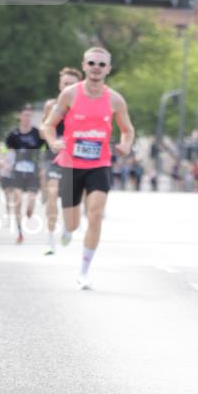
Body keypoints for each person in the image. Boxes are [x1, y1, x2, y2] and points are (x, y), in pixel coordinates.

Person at [41, 46, 134, 289]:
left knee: (95, 213)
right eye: (92, 63)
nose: (96, 68)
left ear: (108, 70)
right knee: (71, 224)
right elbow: (48, 125)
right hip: (70, 164)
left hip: (99, 164)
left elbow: (128, 130)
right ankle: (68, 229)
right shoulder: (70, 95)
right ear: (84, 66)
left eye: (101, 64)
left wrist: (126, 145)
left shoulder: (115, 100)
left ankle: (84, 271)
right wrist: (53, 142)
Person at [40, 66, 82, 255]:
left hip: (76, 157)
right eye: (65, 83)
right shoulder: (51, 105)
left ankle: (67, 226)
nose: (67, 87)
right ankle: (50, 240)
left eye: (71, 84)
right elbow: (44, 127)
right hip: (55, 155)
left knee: (70, 199)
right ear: (59, 84)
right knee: (52, 194)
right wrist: (52, 140)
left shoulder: (84, 105)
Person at [5, 105, 44, 243]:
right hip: (17, 171)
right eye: (25, 115)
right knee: (17, 201)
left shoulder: (37, 134)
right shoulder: (13, 135)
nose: (27, 118)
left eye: (29, 115)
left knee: (30, 203)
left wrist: (43, 166)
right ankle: (20, 232)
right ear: (20, 116)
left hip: (33, 172)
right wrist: (6, 165)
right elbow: (9, 153)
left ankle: (30, 210)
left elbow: (44, 150)